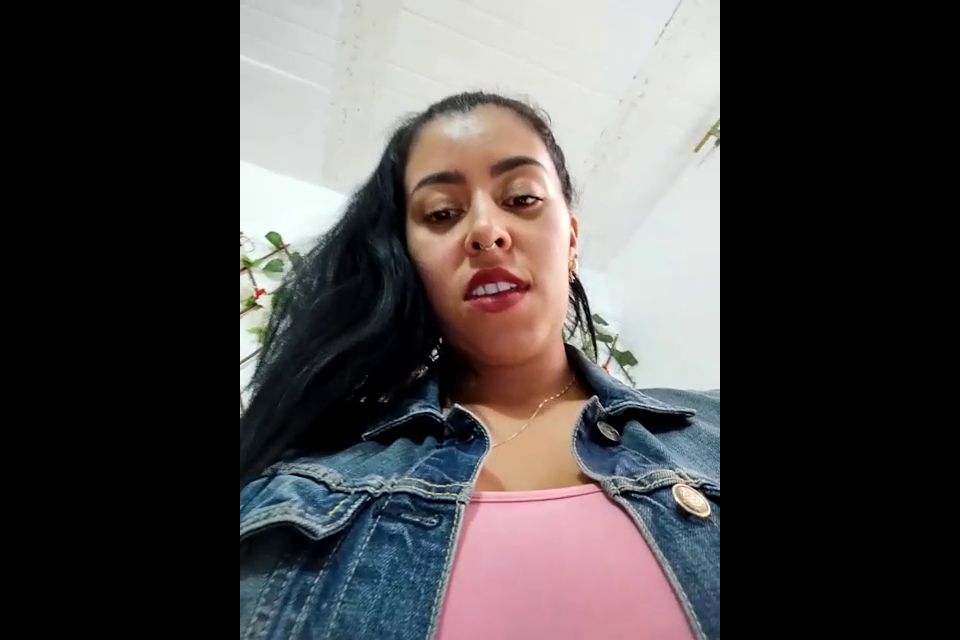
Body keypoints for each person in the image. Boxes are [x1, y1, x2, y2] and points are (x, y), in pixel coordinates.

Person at [240, 91, 719, 640]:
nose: (486, 231)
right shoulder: (302, 481)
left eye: (522, 198)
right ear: (409, 260)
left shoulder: (711, 428)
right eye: (442, 213)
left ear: (571, 241)